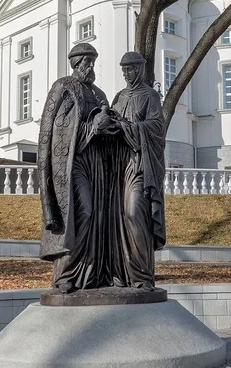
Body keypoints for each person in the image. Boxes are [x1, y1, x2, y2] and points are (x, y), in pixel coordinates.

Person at [37, 43, 120, 293]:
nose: (91, 67)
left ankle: (92, 273)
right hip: (72, 162)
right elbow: (54, 129)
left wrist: (109, 128)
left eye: (93, 62)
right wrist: (92, 127)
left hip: (97, 162)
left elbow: (108, 127)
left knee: (98, 216)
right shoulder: (63, 87)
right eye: (87, 62)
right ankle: (66, 273)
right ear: (76, 64)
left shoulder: (99, 94)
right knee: (83, 211)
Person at [110, 51, 167, 290]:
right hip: (119, 164)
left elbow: (156, 127)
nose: (126, 74)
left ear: (140, 70)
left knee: (135, 213)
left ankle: (142, 276)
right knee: (118, 218)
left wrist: (129, 127)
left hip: (140, 162)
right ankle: (122, 274)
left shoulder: (150, 96)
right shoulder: (119, 97)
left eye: (130, 69)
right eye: (123, 69)